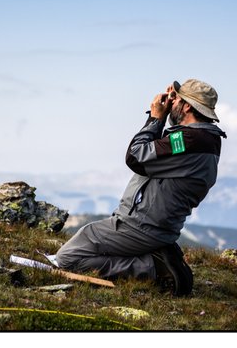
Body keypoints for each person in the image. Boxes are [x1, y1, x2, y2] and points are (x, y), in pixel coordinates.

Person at [54, 79, 227, 296]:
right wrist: (164, 117)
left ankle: (153, 269)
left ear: (187, 107)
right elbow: (155, 155)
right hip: (156, 226)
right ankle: (156, 257)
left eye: (177, 100)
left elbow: (136, 156)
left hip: (141, 227)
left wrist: (156, 118)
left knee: (68, 258)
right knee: (88, 238)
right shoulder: (203, 139)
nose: (171, 102)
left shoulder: (188, 140)